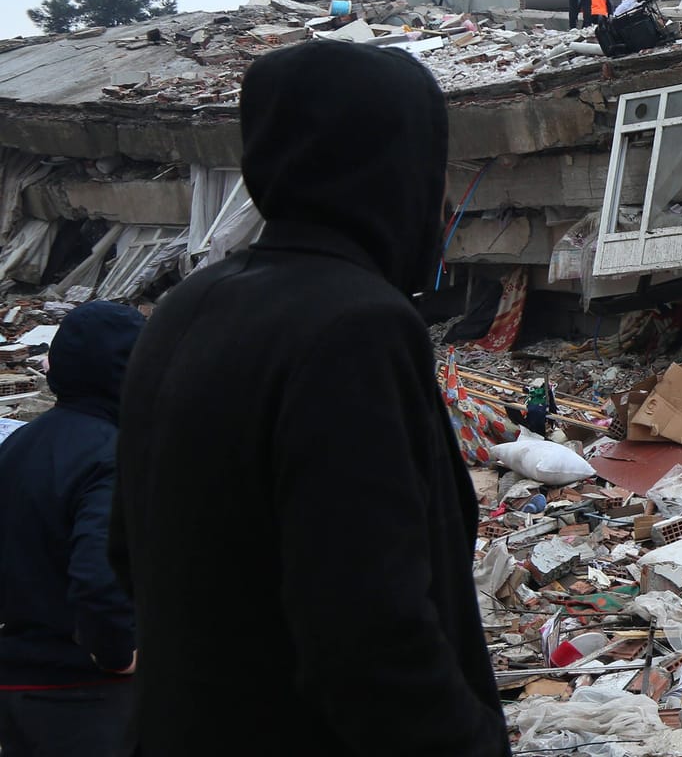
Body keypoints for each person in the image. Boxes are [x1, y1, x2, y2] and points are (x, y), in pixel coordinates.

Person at [112, 41, 510, 756]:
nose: (440, 198)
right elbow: (369, 635)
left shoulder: (187, 306)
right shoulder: (356, 326)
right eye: (431, 167)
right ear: (392, 170)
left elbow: (126, 552)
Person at [0, 302, 144, 757]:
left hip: (16, 681)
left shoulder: (21, 442)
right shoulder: (111, 457)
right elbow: (99, 580)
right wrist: (117, 654)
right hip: (80, 692)